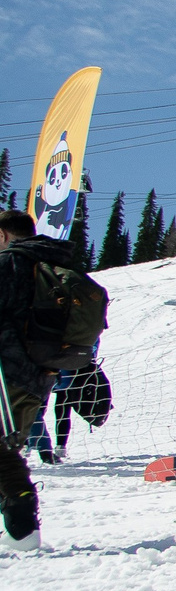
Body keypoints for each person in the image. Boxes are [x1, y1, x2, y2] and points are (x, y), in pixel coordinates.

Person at [1, 207, 81, 552]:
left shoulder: (9, 264)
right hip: (40, 372)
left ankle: (22, 527)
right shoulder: (54, 263)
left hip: (6, 371)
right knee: (7, 446)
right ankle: (21, 529)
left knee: (3, 450)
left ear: (3, 235)